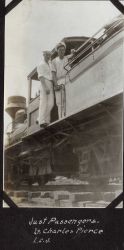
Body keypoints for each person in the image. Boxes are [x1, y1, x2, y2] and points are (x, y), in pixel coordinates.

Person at [51, 42, 75, 119]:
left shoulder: (67, 58)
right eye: (60, 50)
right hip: (59, 81)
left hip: (67, 79)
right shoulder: (54, 61)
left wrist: (73, 52)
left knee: (69, 99)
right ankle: (61, 118)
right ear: (57, 51)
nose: (62, 51)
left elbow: (73, 55)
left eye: (63, 50)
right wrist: (55, 85)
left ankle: (69, 115)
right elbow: (53, 74)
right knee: (60, 102)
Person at [37, 51, 54, 127]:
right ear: (43, 55)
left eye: (49, 55)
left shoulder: (49, 63)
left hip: (50, 83)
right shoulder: (41, 64)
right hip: (44, 83)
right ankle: (42, 121)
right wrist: (45, 87)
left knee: (51, 103)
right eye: (47, 55)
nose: (48, 56)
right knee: (43, 103)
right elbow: (40, 77)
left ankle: (40, 118)